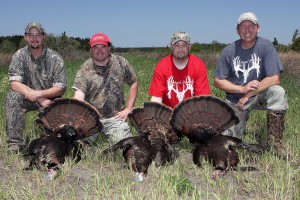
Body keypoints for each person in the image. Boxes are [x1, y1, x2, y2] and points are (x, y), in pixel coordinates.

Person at [214, 12, 289, 158]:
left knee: (278, 92)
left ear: (258, 28)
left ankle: (275, 143)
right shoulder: (229, 50)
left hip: (257, 94)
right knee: (228, 142)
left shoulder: (266, 46)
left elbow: (274, 78)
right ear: (237, 30)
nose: (247, 30)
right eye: (243, 26)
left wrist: (247, 94)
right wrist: (241, 89)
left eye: (251, 26)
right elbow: (218, 81)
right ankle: (239, 124)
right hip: (235, 100)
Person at [5, 22, 67, 153]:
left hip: (50, 101)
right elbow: (14, 84)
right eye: (31, 35)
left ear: (43, 37)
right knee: (12, 97)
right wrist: (38, 97)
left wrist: (40, 96)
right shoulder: (19, 56)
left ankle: (52, 140)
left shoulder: (55, 58)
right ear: (25, 37)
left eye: (38, 35)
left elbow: (60, 88)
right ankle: (15, 144)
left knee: (55, 142)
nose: (34, 38)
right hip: (28, 99)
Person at [72, 33, 138, 146]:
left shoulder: (121, 62)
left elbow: (133, 82)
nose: (99, 50)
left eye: (103, 46)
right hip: (90, 119)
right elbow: (79, 96)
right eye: (95, 47)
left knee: (123, 144)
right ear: (90, 50)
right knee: (77, 145)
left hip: (115, 117)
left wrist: (128, 108)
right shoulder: (85, 68)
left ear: (109, 48)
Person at [148, 31, 210, 108]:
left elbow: (202, 99)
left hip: (192, 113)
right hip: (166, 114)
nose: (180, 49)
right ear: (171, 46)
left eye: (184, 45)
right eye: (176, 45)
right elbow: (156, 98)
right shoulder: (161, 66)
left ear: (189, 47)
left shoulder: (199, 65)